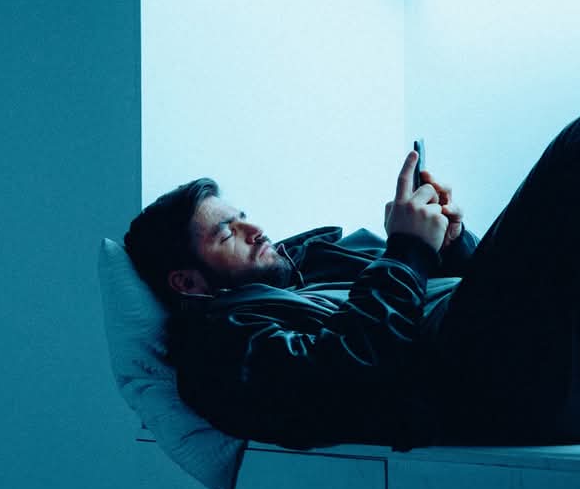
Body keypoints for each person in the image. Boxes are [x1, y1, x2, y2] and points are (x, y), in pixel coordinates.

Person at [123, 121, 580, 454]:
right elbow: (342, 379)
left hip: (499, 331)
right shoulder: (216, 350)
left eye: (243, 217)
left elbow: (444, 286)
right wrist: (409, 248)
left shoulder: (314, 263)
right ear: (187, 281)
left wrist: (452, 243)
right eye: (227, 233)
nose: (256, 229)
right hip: (477, 377)